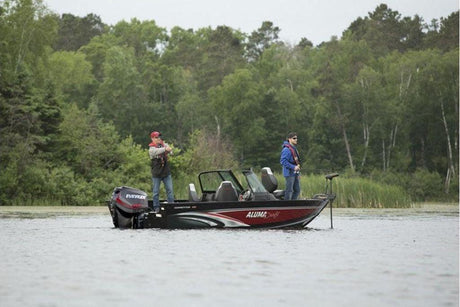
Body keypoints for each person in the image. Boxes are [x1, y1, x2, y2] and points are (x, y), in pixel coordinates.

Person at [149, 131, 174, 213]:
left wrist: (170, 150)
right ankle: (156, 208)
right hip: (157, 174)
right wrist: (165, 149)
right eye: (156, 137)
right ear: (152, 138)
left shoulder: (164, 144)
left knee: (170, 190)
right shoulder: (151, 149)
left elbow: (171, 152)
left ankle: (171, 206)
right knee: (156, 192)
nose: (158, 139)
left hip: (166, 172)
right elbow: (157, 151)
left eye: (159, 137)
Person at [280, 132, 301, 200]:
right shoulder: (286, 150)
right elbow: (283, 161)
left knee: (297, 190)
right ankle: (286, 205)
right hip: (289, 173)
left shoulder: (294, 148)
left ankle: (293, 204)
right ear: (289, 139)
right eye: (294, 138)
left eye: (296, 138)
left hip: (295, 173)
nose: (296, 139)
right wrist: (293, 167)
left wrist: (298, 172)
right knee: (289, 191)